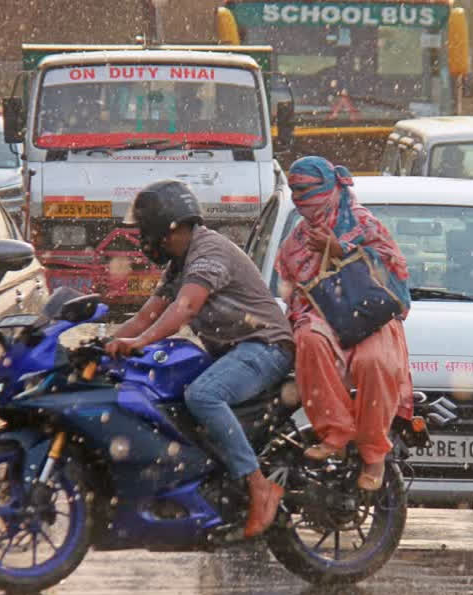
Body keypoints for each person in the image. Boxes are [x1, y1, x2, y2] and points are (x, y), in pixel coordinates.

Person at [106, 179, 295, 538]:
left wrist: (141, 342)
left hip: (266, 347)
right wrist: (103, 345)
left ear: (165, 228)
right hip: (239, 351)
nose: (143, 240)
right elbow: (144, 317)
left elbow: (186, 307)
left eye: (145, 231)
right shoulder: (180, 264)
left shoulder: (208, 253)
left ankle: (259, 486)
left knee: (202, 395)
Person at [275, 156, 413, 491]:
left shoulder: (365, 225)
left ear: (329, 187)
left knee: (374, 362)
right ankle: (335, 431)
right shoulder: (296, 241)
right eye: (294, 191)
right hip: (323, 316)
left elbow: (394, 276)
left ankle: (374, 452)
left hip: (370, 316)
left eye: (307, 190)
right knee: (308, 340)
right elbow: (291, 289)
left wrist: (340, 250)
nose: (300, 199)